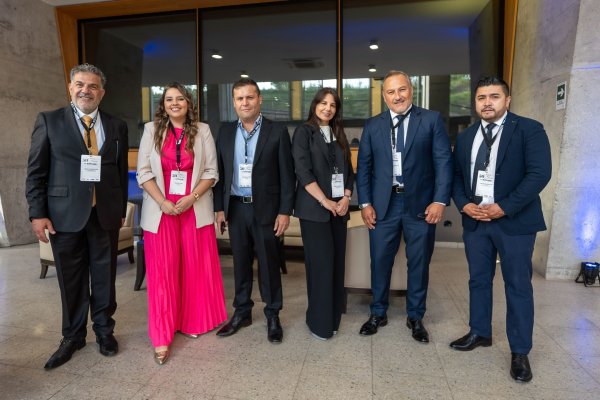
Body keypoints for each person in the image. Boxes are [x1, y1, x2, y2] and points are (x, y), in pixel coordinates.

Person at [26, 63, 128, 369]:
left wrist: (119, 209)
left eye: (93, 86)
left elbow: (120, 172)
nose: (86, 90)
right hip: (64, 215)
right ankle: (72, 336)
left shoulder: (116, 125)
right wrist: (37, 214)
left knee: (105, 277)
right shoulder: (49, 121)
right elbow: (36, 172)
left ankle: (104, 331)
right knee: (71, 279)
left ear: (102, 92)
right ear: (70, 88)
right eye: (80, 85)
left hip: (104, 214)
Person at [450, 76, 551, 382]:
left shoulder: (529, 129)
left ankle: (520, 352)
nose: (487, 103)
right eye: (481, 97)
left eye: (494, 96)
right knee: (478, 280)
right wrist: (464, 204)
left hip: (514, 222)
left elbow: (539, 174)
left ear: (507, 100)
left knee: (517, 284)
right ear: (475, 103)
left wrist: (504, 206)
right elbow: (456, 177)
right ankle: (480, 331)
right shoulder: (466, 137)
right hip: (476, 221)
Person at [356, 70, 453, 342]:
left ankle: (416, 317)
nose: (397, 96)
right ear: (383, 95)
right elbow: (364, 168)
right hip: (382, 206)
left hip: (421, 206)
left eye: (402, 89)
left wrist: (440, 200)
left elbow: (443, 162)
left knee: (419, 263)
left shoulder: (431, 120)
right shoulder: (373, 125)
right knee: (379, 261)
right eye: (391, 91)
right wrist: (365, 203)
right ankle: (378, 313)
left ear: (411, 90)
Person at [136, 82, 227, 365]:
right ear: (163, 105)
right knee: (162, 272)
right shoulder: (151, 130)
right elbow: (143, 172)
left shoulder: (203, 130)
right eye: (169, 99)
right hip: (161, 209)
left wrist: (192, 197)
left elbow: (211, 171)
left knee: (193, 268)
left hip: (193, 207)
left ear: (189, 103)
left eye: (180, 99)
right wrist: (162, 201)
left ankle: (190, 321)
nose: (174, 103)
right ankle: (162, 335)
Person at [213, 78, 295, 343]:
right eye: (239, 98)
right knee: (240, 263)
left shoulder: (277, 131)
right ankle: (242, 312)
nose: (245, 103)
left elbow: (287, 174)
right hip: (236, 208)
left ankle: (272, 314)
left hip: (267, 209)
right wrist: (219, 209)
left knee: (269, 264)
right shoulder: (225, 132)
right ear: (234, 102)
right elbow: (220, 174)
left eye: (250, 97)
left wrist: (285, 211)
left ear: (259, 99)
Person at [291, 88, 355, 340]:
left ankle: (333, 319)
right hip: (314, 211)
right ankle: (319, 323)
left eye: (332, 105)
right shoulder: (304, 132)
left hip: (339, 210)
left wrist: (346, 197)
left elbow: (349, 171)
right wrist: (325, 201)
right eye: (323, 103)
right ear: (315, 105)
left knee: (337, 265)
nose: (327, 108)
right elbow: (303, 171)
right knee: (321, 266)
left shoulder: (339, 133)